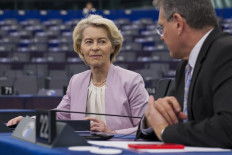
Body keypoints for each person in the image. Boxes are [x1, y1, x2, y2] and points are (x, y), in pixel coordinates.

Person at [7, 15, 149, 135]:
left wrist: (113, 133)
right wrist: (29, 121)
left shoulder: (132, 80)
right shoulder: (76, 81)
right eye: (88, 42)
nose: (95, 47)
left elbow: (146, 126)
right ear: (80, 48)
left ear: (113, 47)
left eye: (102, 41)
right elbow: (60, 115)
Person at [136, 0, 232, 148]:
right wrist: (152, 117)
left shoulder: (226, 52)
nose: (161, 36)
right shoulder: (185, 66)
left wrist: (165, 131)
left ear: (178, 23)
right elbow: (176, 123)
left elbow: (227, 127)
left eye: (162, 27)